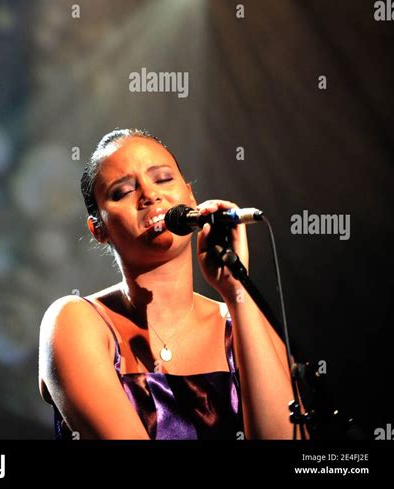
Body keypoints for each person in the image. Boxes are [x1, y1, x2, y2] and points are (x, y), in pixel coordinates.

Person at [38, 128, 297, 440]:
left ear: (190, 196)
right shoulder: (75, 320)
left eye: (162, 179)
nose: (150, 195)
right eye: (122, 192)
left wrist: (237, 291)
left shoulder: (243, 324)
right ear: (98, 229)